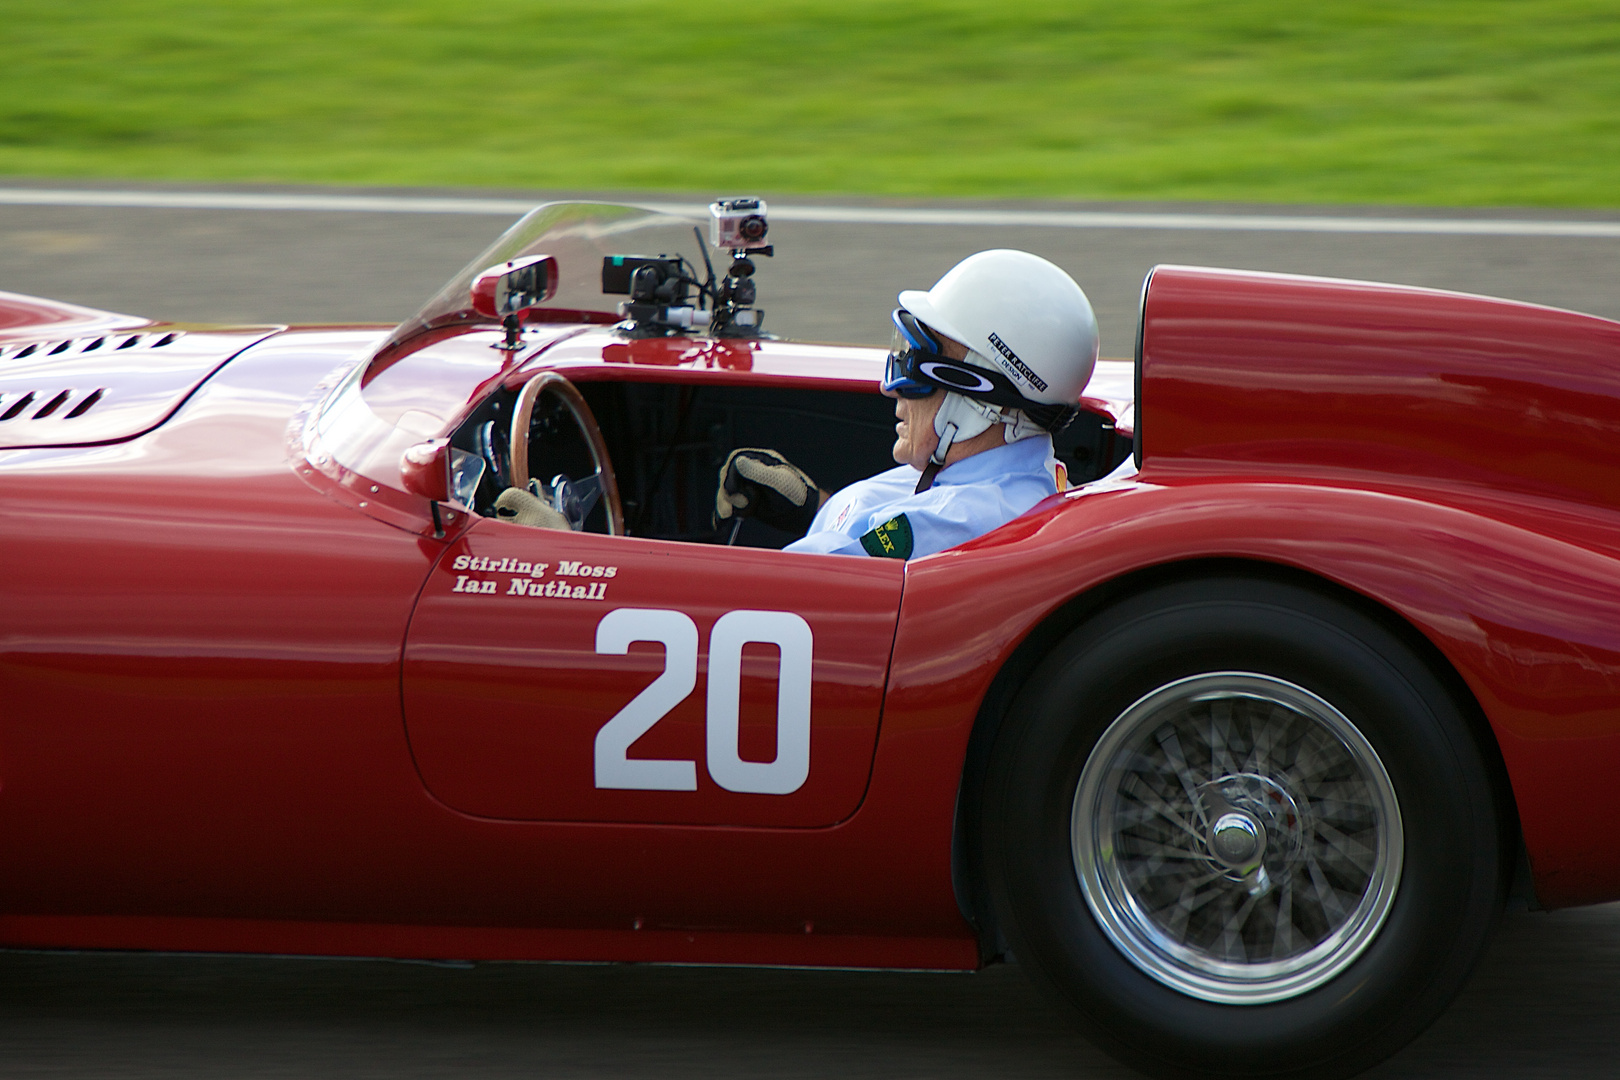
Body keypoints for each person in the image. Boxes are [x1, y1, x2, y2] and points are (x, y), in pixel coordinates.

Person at [715, 249, 1101, 559]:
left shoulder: (951, 522)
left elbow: (778, 595)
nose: (894, 389)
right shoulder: (1003, 478)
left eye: (919, 365)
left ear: (981, 402)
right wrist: (813, 510)